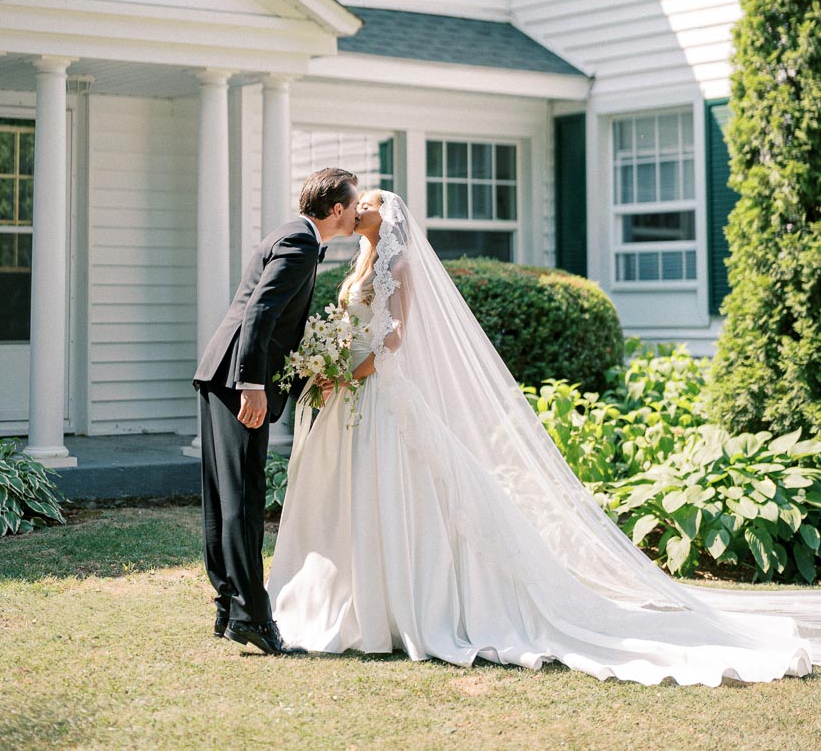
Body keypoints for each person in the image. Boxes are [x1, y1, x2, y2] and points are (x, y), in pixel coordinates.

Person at [269, 190, 820, 685]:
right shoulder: (360, 260)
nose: (362, 206)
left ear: (386, 218)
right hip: (351, 394)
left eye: (371, 203)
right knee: (358, 499)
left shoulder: (402, 263)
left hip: (379, 389)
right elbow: (357, 325)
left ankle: (406, 606)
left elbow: (393, 338)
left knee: (401, 493)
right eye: (359, 201)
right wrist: (331, 360)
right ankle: (351, 599)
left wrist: (348, 369)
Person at [193, 167, 359, 656]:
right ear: (335, 209)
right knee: (242, 498)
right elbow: (260, 311)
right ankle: (252, 617)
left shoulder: (292, 234)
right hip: (237, 382)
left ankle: (230, 606)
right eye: (351, 207)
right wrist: (252, 383)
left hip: (218, 377)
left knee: (224, 499)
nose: (354, 215)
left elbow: (278, 319)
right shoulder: (301, 244)